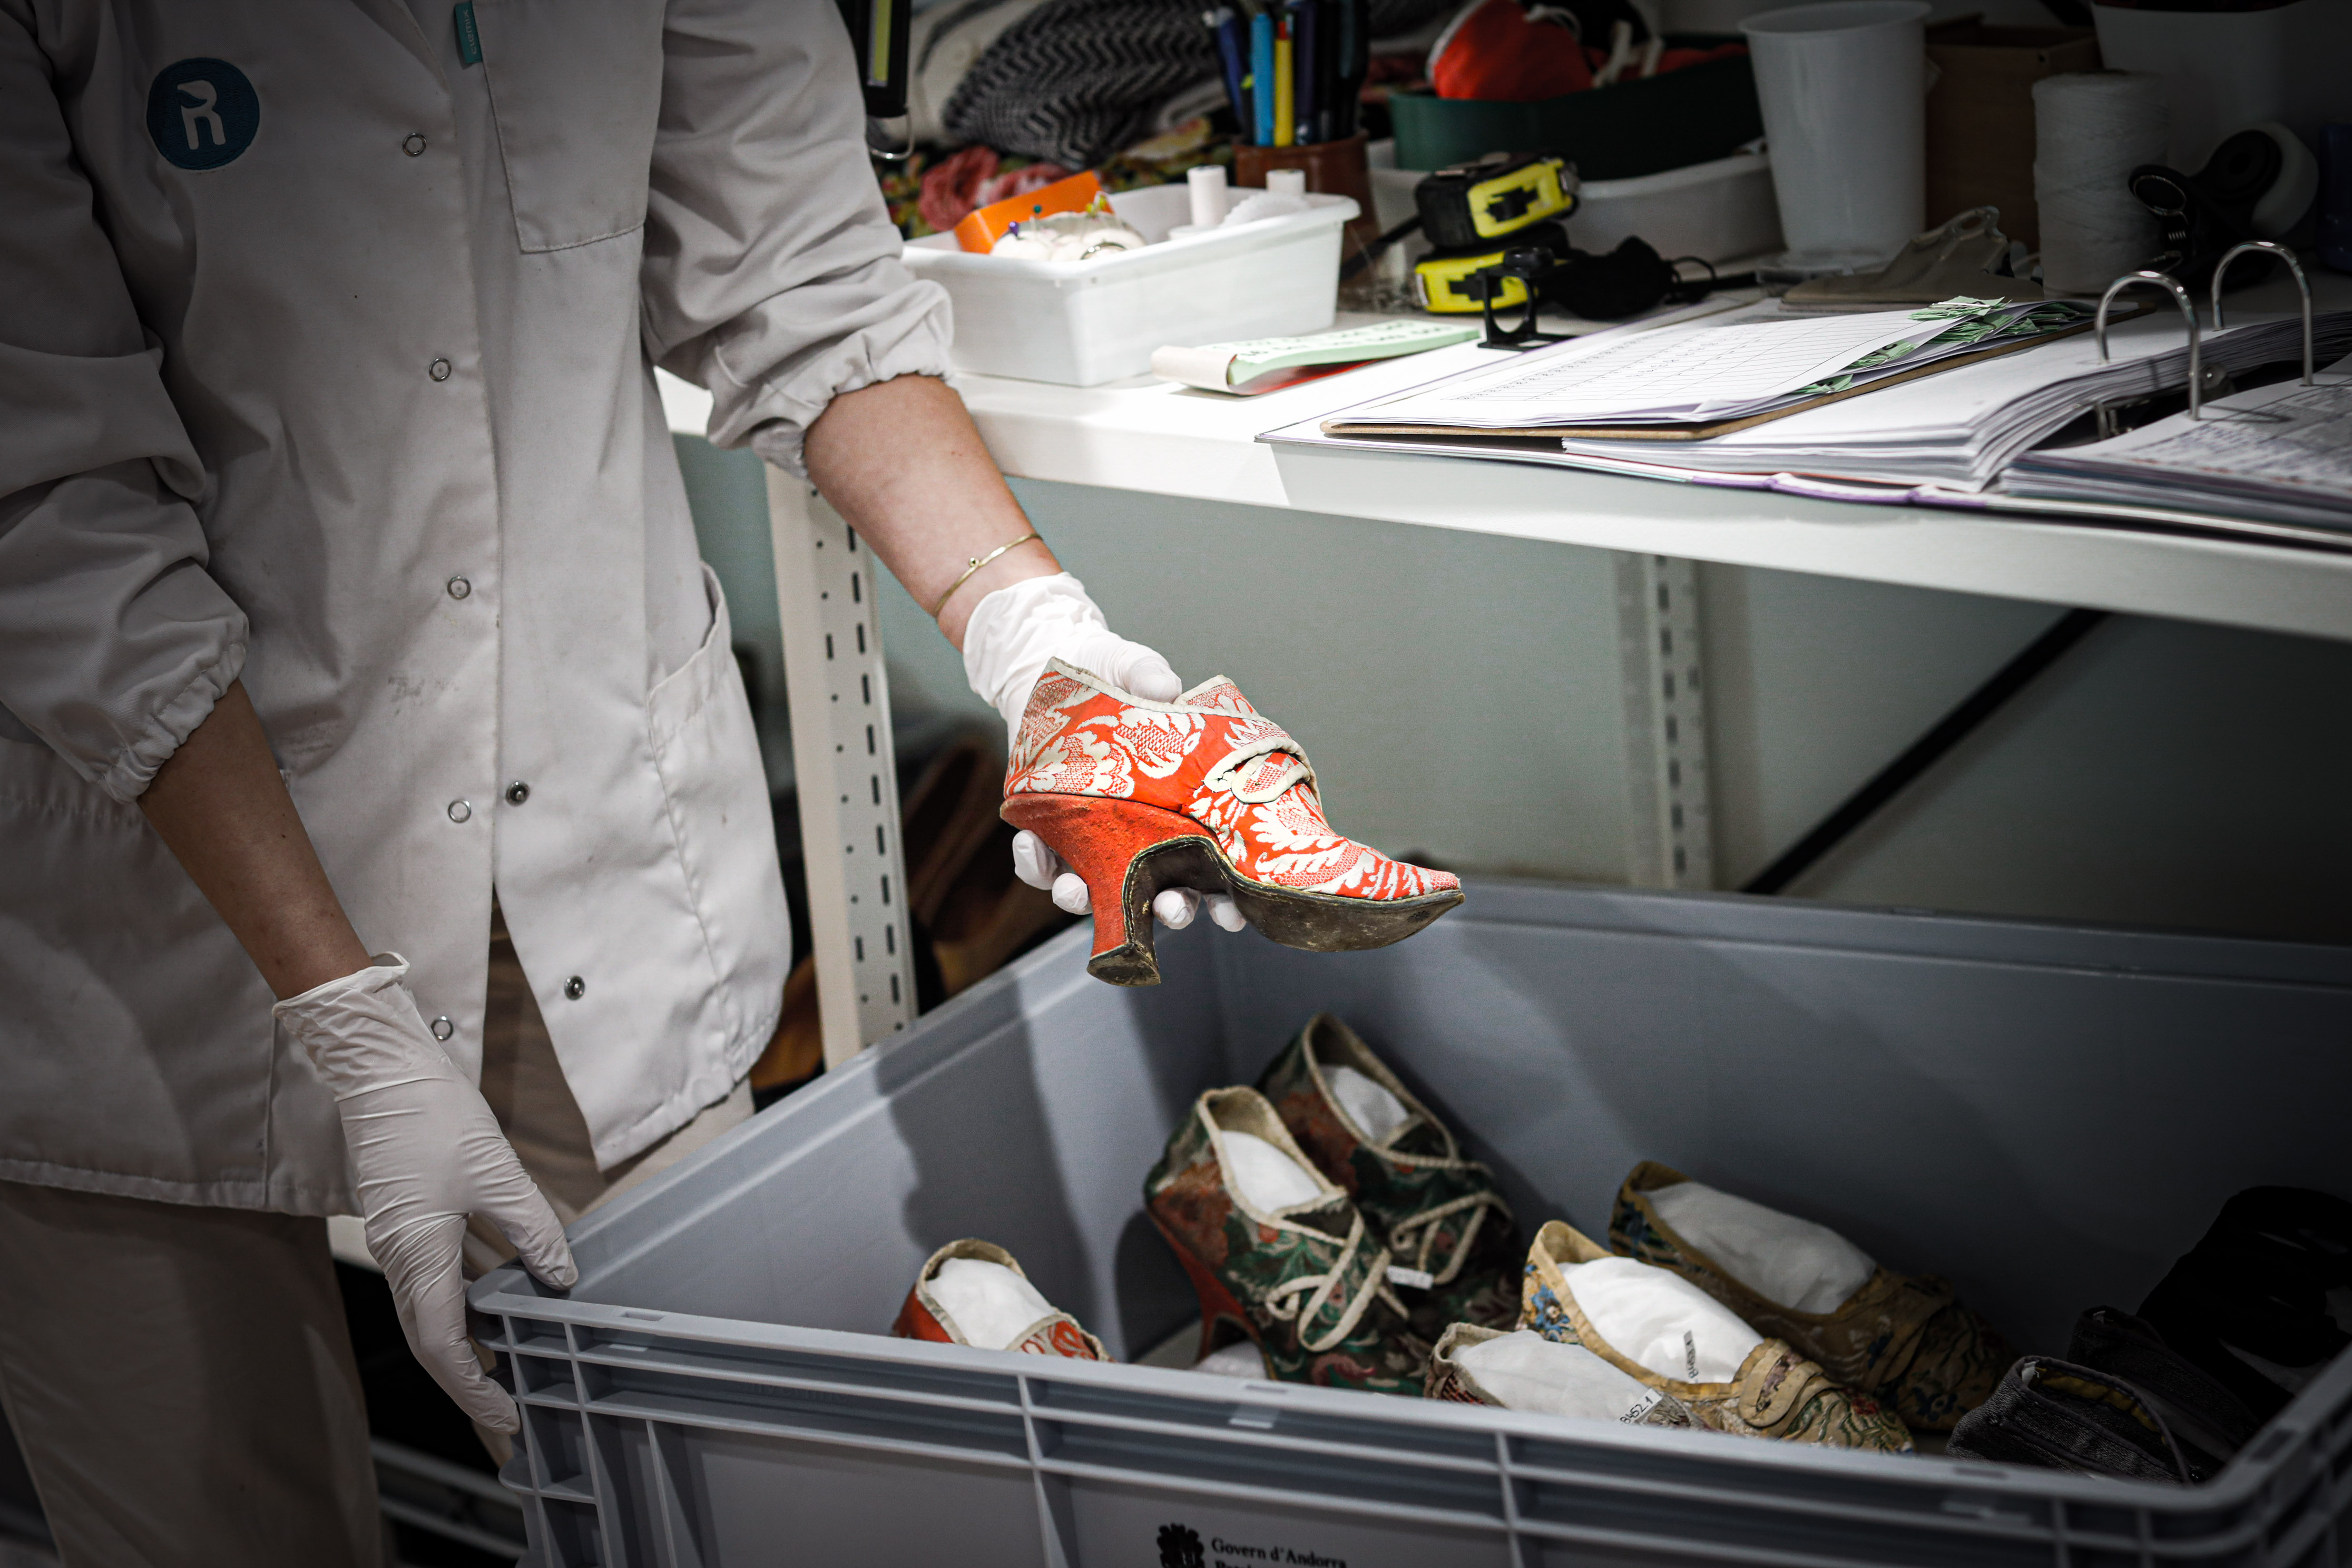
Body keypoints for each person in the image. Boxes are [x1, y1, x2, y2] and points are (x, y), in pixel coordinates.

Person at [0, 3, 1231, 1562]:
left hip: (582, 849)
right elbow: (52, 501)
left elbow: (800, 275)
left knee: (727, 1513)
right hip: (144, 885)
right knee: (216, 1526)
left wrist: (1032, 632)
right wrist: (345, 1011)